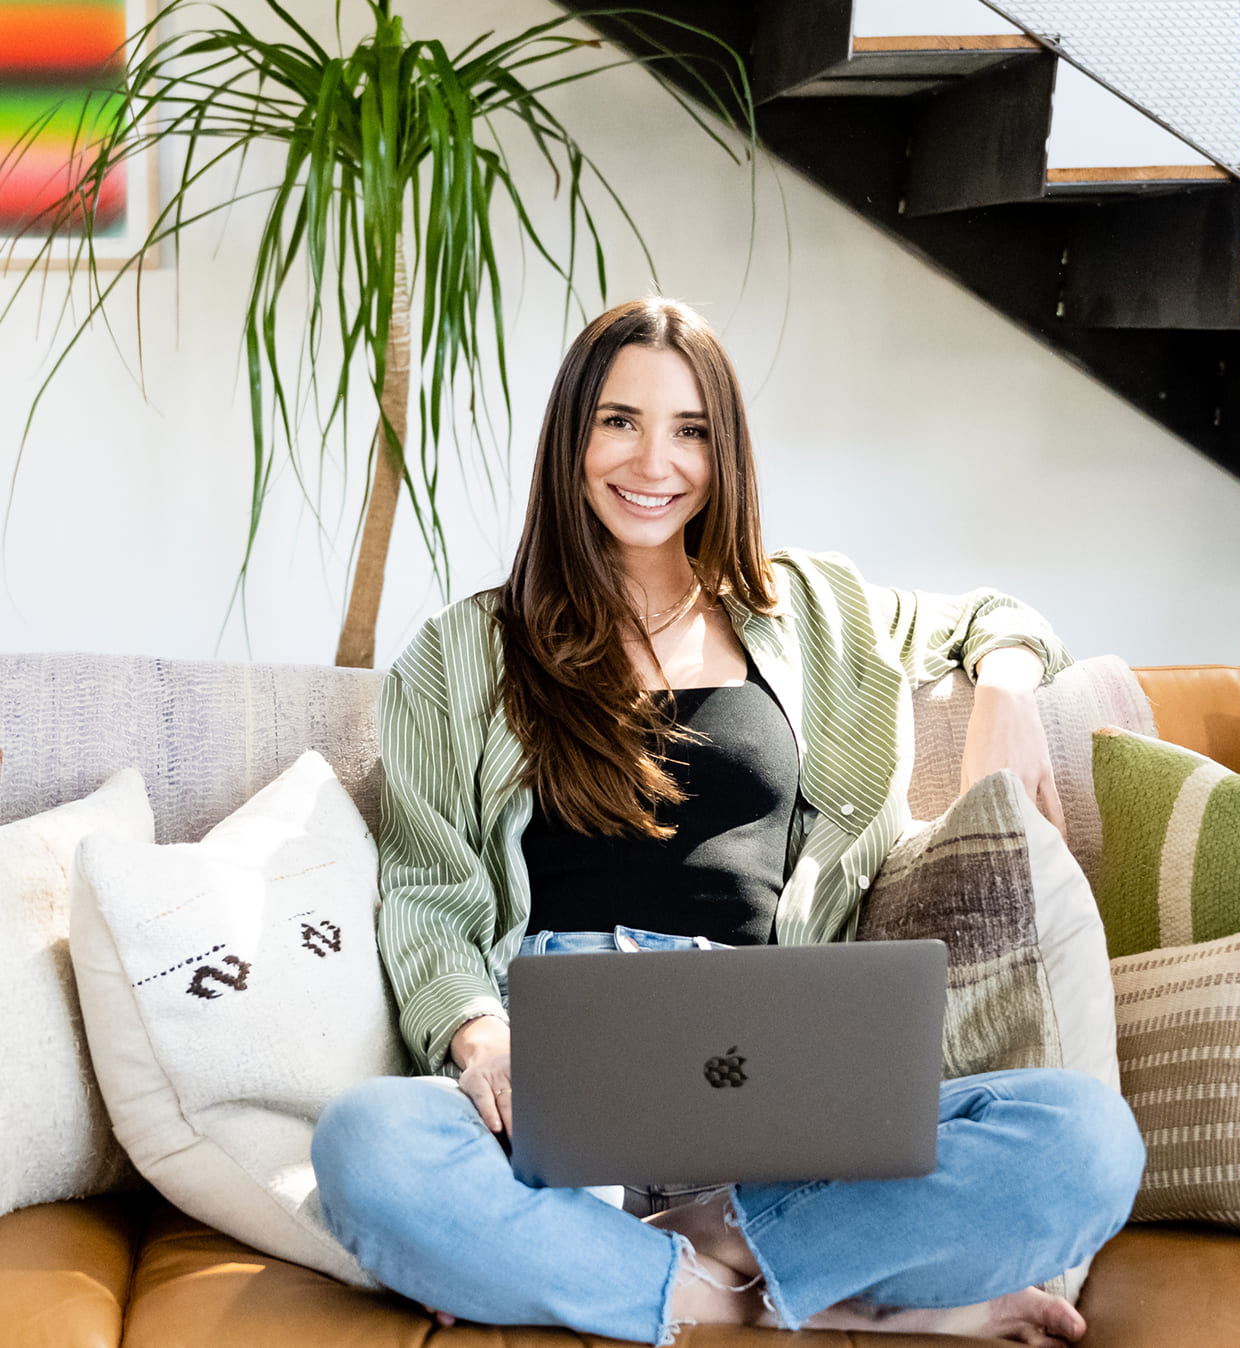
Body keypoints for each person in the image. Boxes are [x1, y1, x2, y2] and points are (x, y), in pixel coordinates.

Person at [311, 297, 1145, 1347]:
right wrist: (483, 1040)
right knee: (365, 1144)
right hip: (563, 1071)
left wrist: (1006, 691)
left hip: (776, 1079)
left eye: (689, 429)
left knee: (1084, 1143)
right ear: (570, 439)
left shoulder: (817, 609)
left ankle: (672, 1253)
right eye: (618, 420)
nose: (652, 461)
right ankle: (777, 1293)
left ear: (726, 451)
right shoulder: (457, 649)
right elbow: (429, 891)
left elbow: (998, 617)